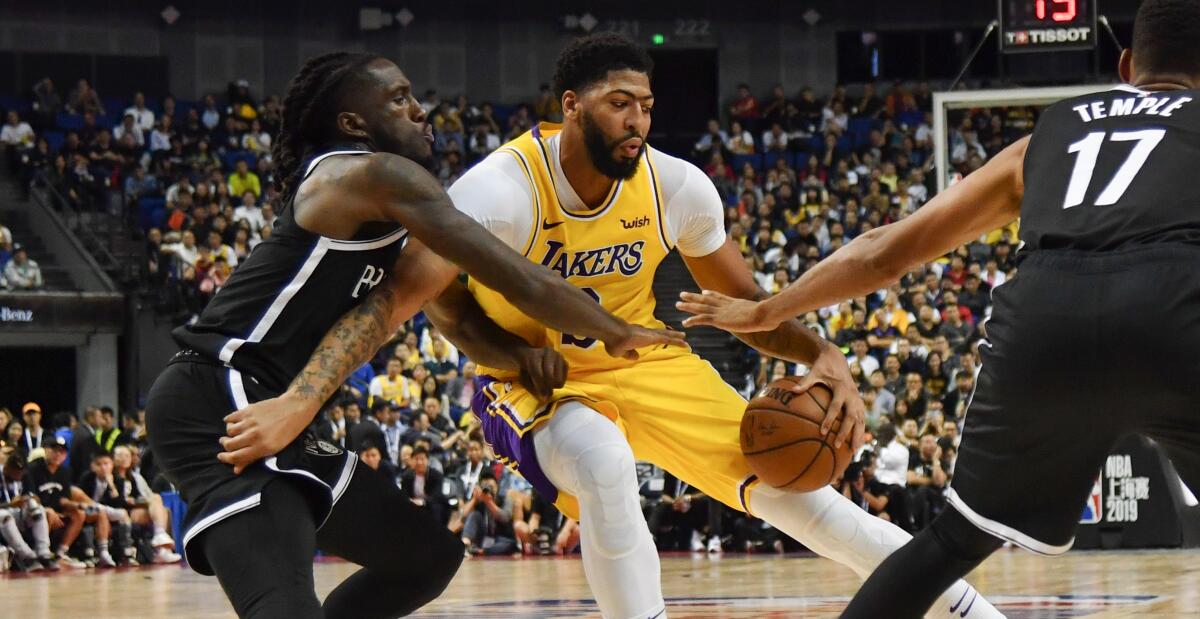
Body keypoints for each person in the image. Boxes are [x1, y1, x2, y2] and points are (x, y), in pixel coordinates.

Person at [257, 34, 999, 619]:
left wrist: (822, 351)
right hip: (530, 378)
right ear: (572, 105)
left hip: (644, 360)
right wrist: (509, 350)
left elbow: (750, 307)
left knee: (801, 495)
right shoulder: (500, 190)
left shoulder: (677, 187)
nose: (638, 120)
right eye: (619, 103)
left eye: (645, 104)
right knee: (607, 461)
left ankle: (975, 611)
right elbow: (435, 306)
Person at [678, 2, 1200, 616]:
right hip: (1175, 303)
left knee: (951, 540)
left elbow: (884, 252)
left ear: (1125, 65)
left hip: (1043, 317)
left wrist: (768, 311)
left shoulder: (1051, 133)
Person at [146, 52, 682, 619]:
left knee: (426, 558)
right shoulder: (374, 174)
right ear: (354, 124)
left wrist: (517, 355)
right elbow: (512, 273)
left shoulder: (379, 203)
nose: (421, 110)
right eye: (399, 99)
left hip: (278, 401)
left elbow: (443, 307)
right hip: (220, 393)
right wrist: (617, 331)